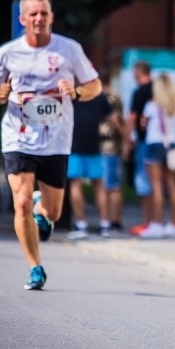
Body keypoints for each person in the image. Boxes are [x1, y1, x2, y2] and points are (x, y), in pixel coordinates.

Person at [0, 0, 101, 290]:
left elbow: (95, 85)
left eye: (43, 13)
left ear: (51, 17)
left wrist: (75, 92)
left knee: (53, 212)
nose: (39, 19)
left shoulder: (68, 50)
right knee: (19, 202)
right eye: (32, 14)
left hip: (56, 139)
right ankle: (35, 267)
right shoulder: (8, 52)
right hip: (17, 136)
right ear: (22, 20)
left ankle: (41, 208)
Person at [138, 73, 175, 239]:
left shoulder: (151, 105)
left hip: (154, 144)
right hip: (171, 145)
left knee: (156, 186)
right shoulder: (174, 105)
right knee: (172, 186)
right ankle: (174, 223)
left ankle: (157, 224)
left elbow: (143, 125)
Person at [65, 92, 114, 239]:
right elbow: (111, 118)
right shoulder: (99, 95)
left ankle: (81, 225)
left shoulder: (70, 94)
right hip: (93, 144)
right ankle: (105, 224)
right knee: (99, 184)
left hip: (73, 144)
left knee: (75, 184)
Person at [125, 61, 156, 236]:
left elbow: (133, 117)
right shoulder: (158, 90)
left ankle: (147, 221)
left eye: (134, 72)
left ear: (139, 72)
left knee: (143, 182)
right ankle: (157, 221)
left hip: (144, 141)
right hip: (161, 142)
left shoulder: (139, 92)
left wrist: (128, 139)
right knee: (157, 184)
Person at [99, 72, 126, 235]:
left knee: (110, 185)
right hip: (110, 145)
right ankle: (111, 221)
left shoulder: (107, 97)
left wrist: (123, 139)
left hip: (107, 145)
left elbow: (114, 120)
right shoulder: (115, 96)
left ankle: (112, 221)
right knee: (110, 184)